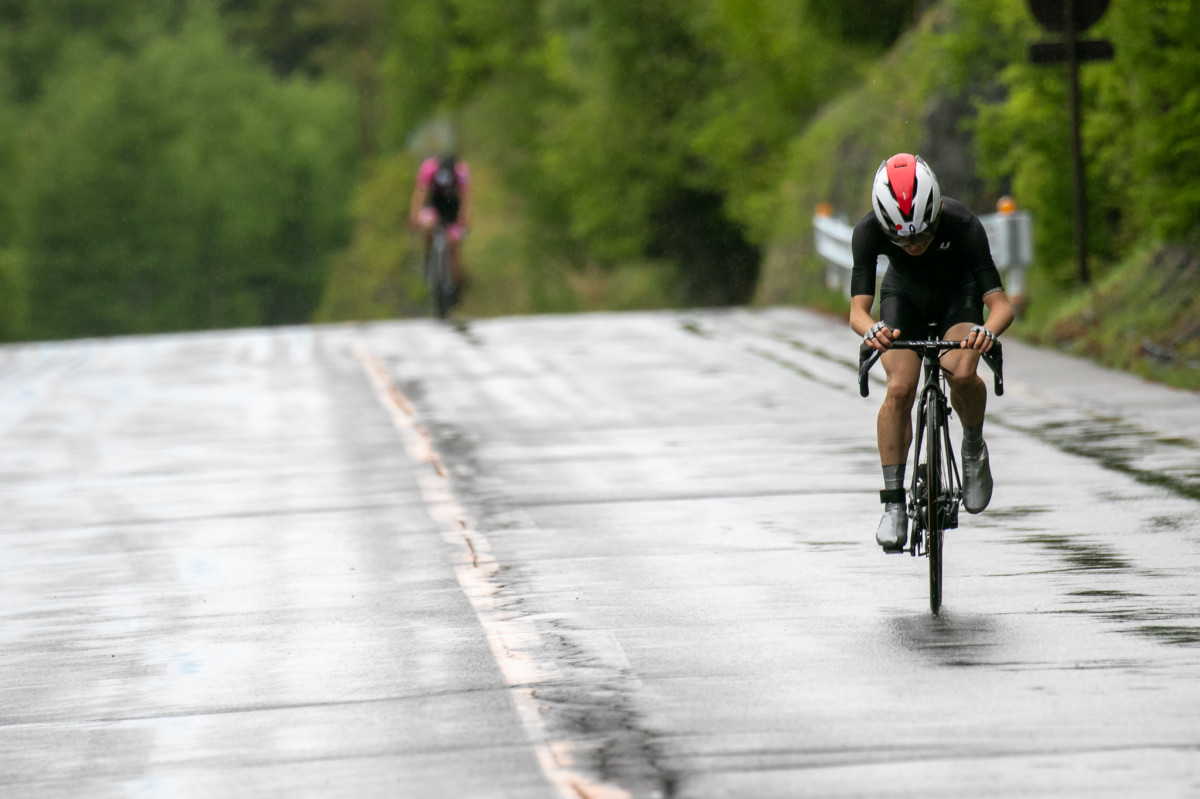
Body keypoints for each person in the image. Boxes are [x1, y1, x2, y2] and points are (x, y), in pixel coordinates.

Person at [849, 153, 1015, 552]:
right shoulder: (868, 231)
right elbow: (858, 311)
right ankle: (893, 505)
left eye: (922, 236)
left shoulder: (962, 223)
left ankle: (972, 447)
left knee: (960, 371)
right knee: (900, 387)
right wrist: (871, 330)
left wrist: (984, 334)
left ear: (937, 210)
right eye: (902, 240)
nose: (914, 245)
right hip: (902, 299)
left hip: (958, 298)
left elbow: (1002, 307)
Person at [409, 153, 472, 302]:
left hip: (453, 210)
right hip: (435, 208)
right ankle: (429, 257)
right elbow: (420, 193)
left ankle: (456, 286)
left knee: (454, 246)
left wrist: (464, 218)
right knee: (428, 227)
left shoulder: (461, 172)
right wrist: (414, 216)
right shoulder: (429, 169)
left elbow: (466, 198)